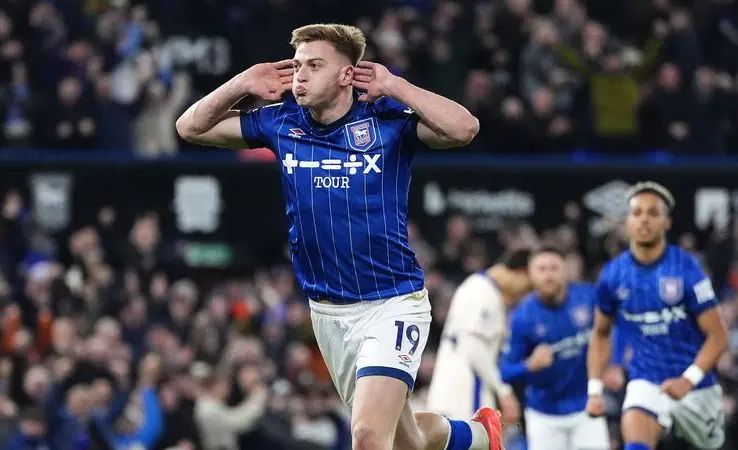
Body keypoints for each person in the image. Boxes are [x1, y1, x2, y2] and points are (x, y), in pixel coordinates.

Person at [176, 23, 500, 450]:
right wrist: (241, 83)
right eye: (297, 66)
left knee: (366, 437)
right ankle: (480, 435)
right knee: (405, 441)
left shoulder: (386, 123)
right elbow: (190, 128)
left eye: (314, 66)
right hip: (328, 313)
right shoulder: (281, 122)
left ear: (347, 75)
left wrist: (396, 86)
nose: (300, 76)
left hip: (391, 302)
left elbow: (464, 128)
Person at [585, 182, 729, 450]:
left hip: (696, 384)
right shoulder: (613, 275)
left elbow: (718, 335)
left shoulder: (687, 268)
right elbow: (600, 334)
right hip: (646, 380)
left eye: (653, 213)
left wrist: (688, 380)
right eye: (637, 213)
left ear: (667, 222)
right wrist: (594, 391)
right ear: (627, 221)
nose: (644, 220)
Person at [500, 247, 610, 450]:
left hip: (586, 407)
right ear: (530, 275)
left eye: (554, 268)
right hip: (544, 415)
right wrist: (529, 365)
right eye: (541, 269)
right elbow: (504, 371)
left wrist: (615, 363)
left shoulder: (588, 297)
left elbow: (614, 329)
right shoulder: (522, 316)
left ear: (565, 271)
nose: (548, 275)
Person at [427, 249, 532, 422]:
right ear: (521, 274)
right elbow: (472, 346)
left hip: (457, 390)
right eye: (528, 287)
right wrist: (503, 391)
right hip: (464, 394)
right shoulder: (483, 291)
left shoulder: (484, 289)